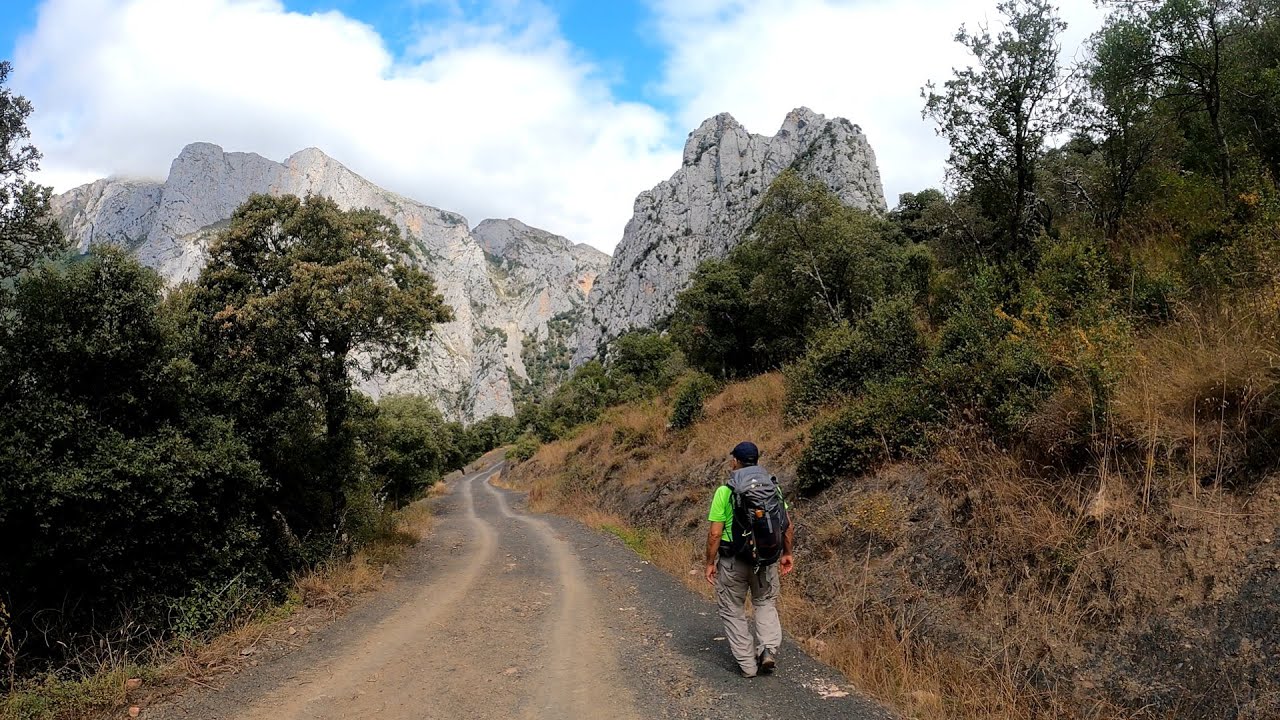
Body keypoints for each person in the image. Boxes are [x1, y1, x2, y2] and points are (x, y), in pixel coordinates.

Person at [705, 441, 794, 678]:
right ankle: (767, 649)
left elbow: (715, 534)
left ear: (735, 461)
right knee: (764, 603)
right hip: (765, 559)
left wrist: (709, 563)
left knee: (732, 609)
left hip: (733, 561)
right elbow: (786, 525)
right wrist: (787, 553)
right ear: (756, 460)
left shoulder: (725, 491)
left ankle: (747, 665)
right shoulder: (773, 488)